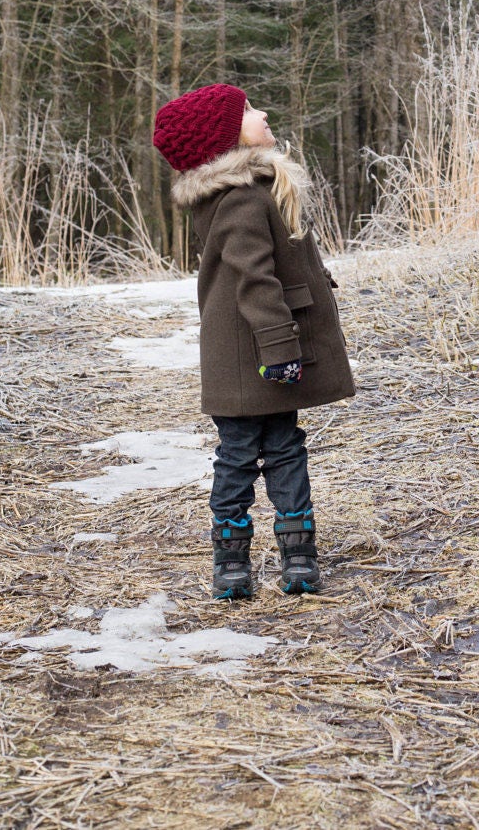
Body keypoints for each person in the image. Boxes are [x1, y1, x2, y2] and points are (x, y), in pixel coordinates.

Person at [152, 83, 356, 599]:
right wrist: (280, 348)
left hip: (256, 353)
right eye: (246, 110)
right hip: (256, 354)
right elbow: (255, 279)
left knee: (271, 448)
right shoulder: (242, 198)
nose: (261, 113)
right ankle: (241, 564)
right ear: (225, 135)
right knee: (250, 452)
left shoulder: (244, 190)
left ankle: (290, 560)